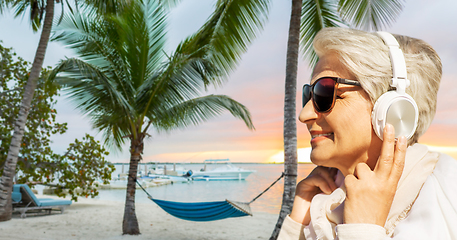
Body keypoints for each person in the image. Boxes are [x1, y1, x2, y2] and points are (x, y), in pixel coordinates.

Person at [278, 27, 457, 240]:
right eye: (309, 94)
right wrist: (296, 225)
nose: (304, 114)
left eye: (325, 92)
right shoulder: (327, 197)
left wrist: (363, 230)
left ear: (391, 107)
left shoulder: (441, 196)